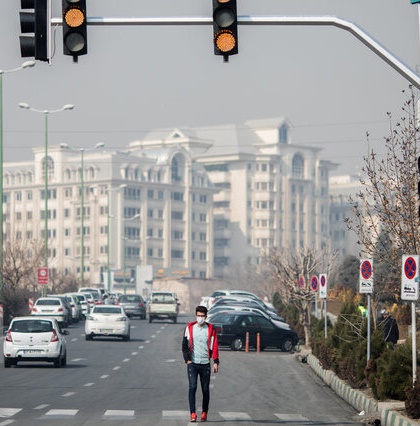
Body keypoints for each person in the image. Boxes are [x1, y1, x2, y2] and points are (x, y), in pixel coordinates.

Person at [182, 305, 219, 423]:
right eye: (198, 316)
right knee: (192, 387)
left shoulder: (211, 329)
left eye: (202, 316)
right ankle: (193, 413)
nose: (200, 318)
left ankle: (204, 412)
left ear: (206, 317)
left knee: (205, 389)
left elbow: (214, 346)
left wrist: (216, 361)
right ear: (195, 316)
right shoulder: (190, 327)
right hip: (192, 363)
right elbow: (184, 344)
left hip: (205, 364)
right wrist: (187, 359)